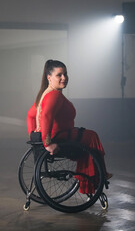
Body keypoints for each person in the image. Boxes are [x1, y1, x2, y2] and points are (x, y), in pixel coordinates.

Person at [26, 59, 112, 194]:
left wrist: (34, 136)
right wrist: (46, 143)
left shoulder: (45, 95)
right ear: (49, 77)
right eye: (59, 75)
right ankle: (98, 177)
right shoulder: (54, 95)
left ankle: (95, 178)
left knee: (89, 136)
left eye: (65, 74)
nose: (64, 78)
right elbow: (46, 116)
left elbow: (31, 116)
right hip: (61, 138)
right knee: (92, 136)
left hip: (59, 135)